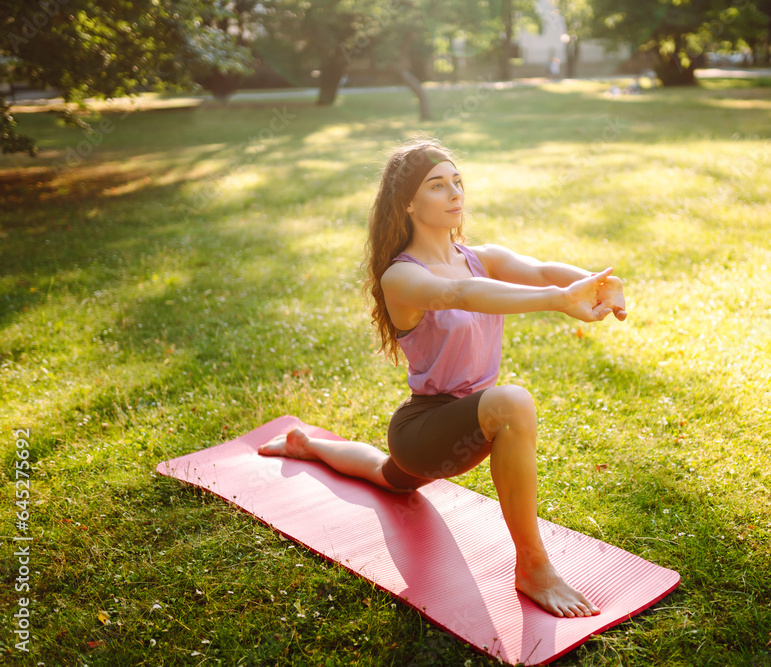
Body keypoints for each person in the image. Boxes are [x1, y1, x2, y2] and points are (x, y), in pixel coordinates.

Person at [259, 138, 627, 618]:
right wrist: (560, 300)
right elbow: (459, 293)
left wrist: (599, 282)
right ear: (407, 203)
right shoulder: (401, 277)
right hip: (425, 432)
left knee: (385, 475)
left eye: (457, 181)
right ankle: (533, 566)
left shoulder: (482, 256)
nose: (455, 193)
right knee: (512, 401)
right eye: (437, 185)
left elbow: (537, 270)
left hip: (463, 427)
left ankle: (308, 445)